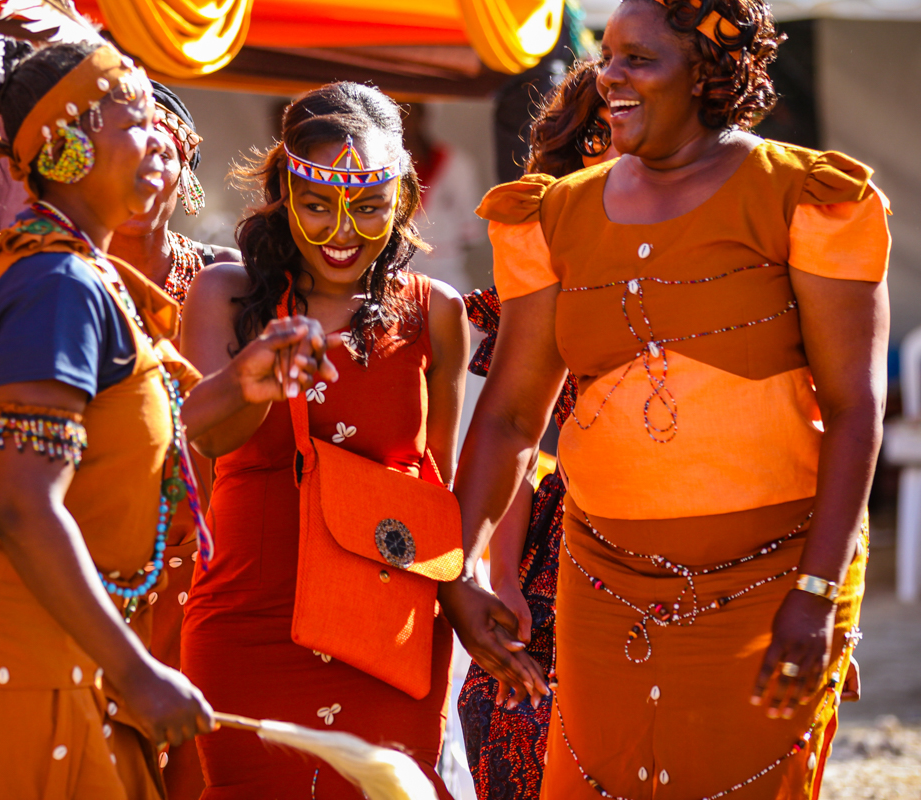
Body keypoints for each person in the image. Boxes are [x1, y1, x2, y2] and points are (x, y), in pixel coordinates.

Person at [0, 27, 336, 798]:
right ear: (66, 149)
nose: (159, 132)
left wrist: (242, 386)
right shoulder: (57, 283)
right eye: (132, 115)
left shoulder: (74, 266)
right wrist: (137, 674)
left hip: (9, 628)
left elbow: (110, 441)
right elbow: (24, 502)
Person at [454, 0, 890, 795]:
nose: (607, 77)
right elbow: (514, 414)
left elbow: (857, 409)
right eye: (608, 56)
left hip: (774, 587)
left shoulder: (805, 197)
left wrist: (817, 593)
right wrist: (465, 569)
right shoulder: (554, 215)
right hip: (603, 588)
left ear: (706, 74)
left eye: (637, 60)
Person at [178, 81, 473, 799]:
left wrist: (470, 601)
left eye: (369, 206)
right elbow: (197, 442)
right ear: (284, 192)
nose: (344, 230)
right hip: (248, 620)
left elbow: (438, 485)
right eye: (317, 205)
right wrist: (256, 378)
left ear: (402, 198)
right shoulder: (228, 295)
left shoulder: (437, 314)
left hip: (387, 633)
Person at [457, 58, 613, 800]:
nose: (616, 151)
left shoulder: (745, 253)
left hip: (710, 538)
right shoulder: (548, 250)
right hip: (569, 541)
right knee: (520, 719)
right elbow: (518, 424)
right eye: (597, 136)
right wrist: (498, 571)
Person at [106, 81, 238, 800]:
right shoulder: (54, 280)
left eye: (162, 144)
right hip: (91, 579)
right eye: (124, 142)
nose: (143, 163)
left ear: (184, 164)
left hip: (211, 585)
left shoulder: (228, 281)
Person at [403, 103, 485, 293]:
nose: (404, 121)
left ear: (424, 117)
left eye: (410, 113)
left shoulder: (456, 163)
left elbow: (471, 230)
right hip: (394, 274)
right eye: (398, 113)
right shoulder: (377, 165)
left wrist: (439, 247)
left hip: (445, 274)